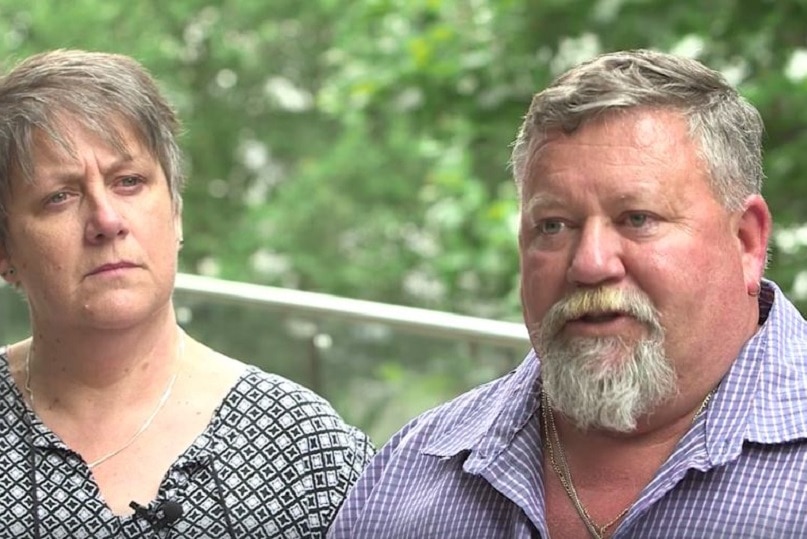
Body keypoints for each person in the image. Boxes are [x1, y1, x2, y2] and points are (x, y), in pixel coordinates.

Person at [328, 49, 807, 538]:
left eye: (636, 219)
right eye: (554, 225)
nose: (590, 263)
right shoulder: (409, 476)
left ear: (746, 241)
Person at [0, 49, 373, 538]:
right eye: (60, 197)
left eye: (129, 182)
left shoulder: (303, 452)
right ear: (5, 249)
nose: (107, 222)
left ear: (176, 210)